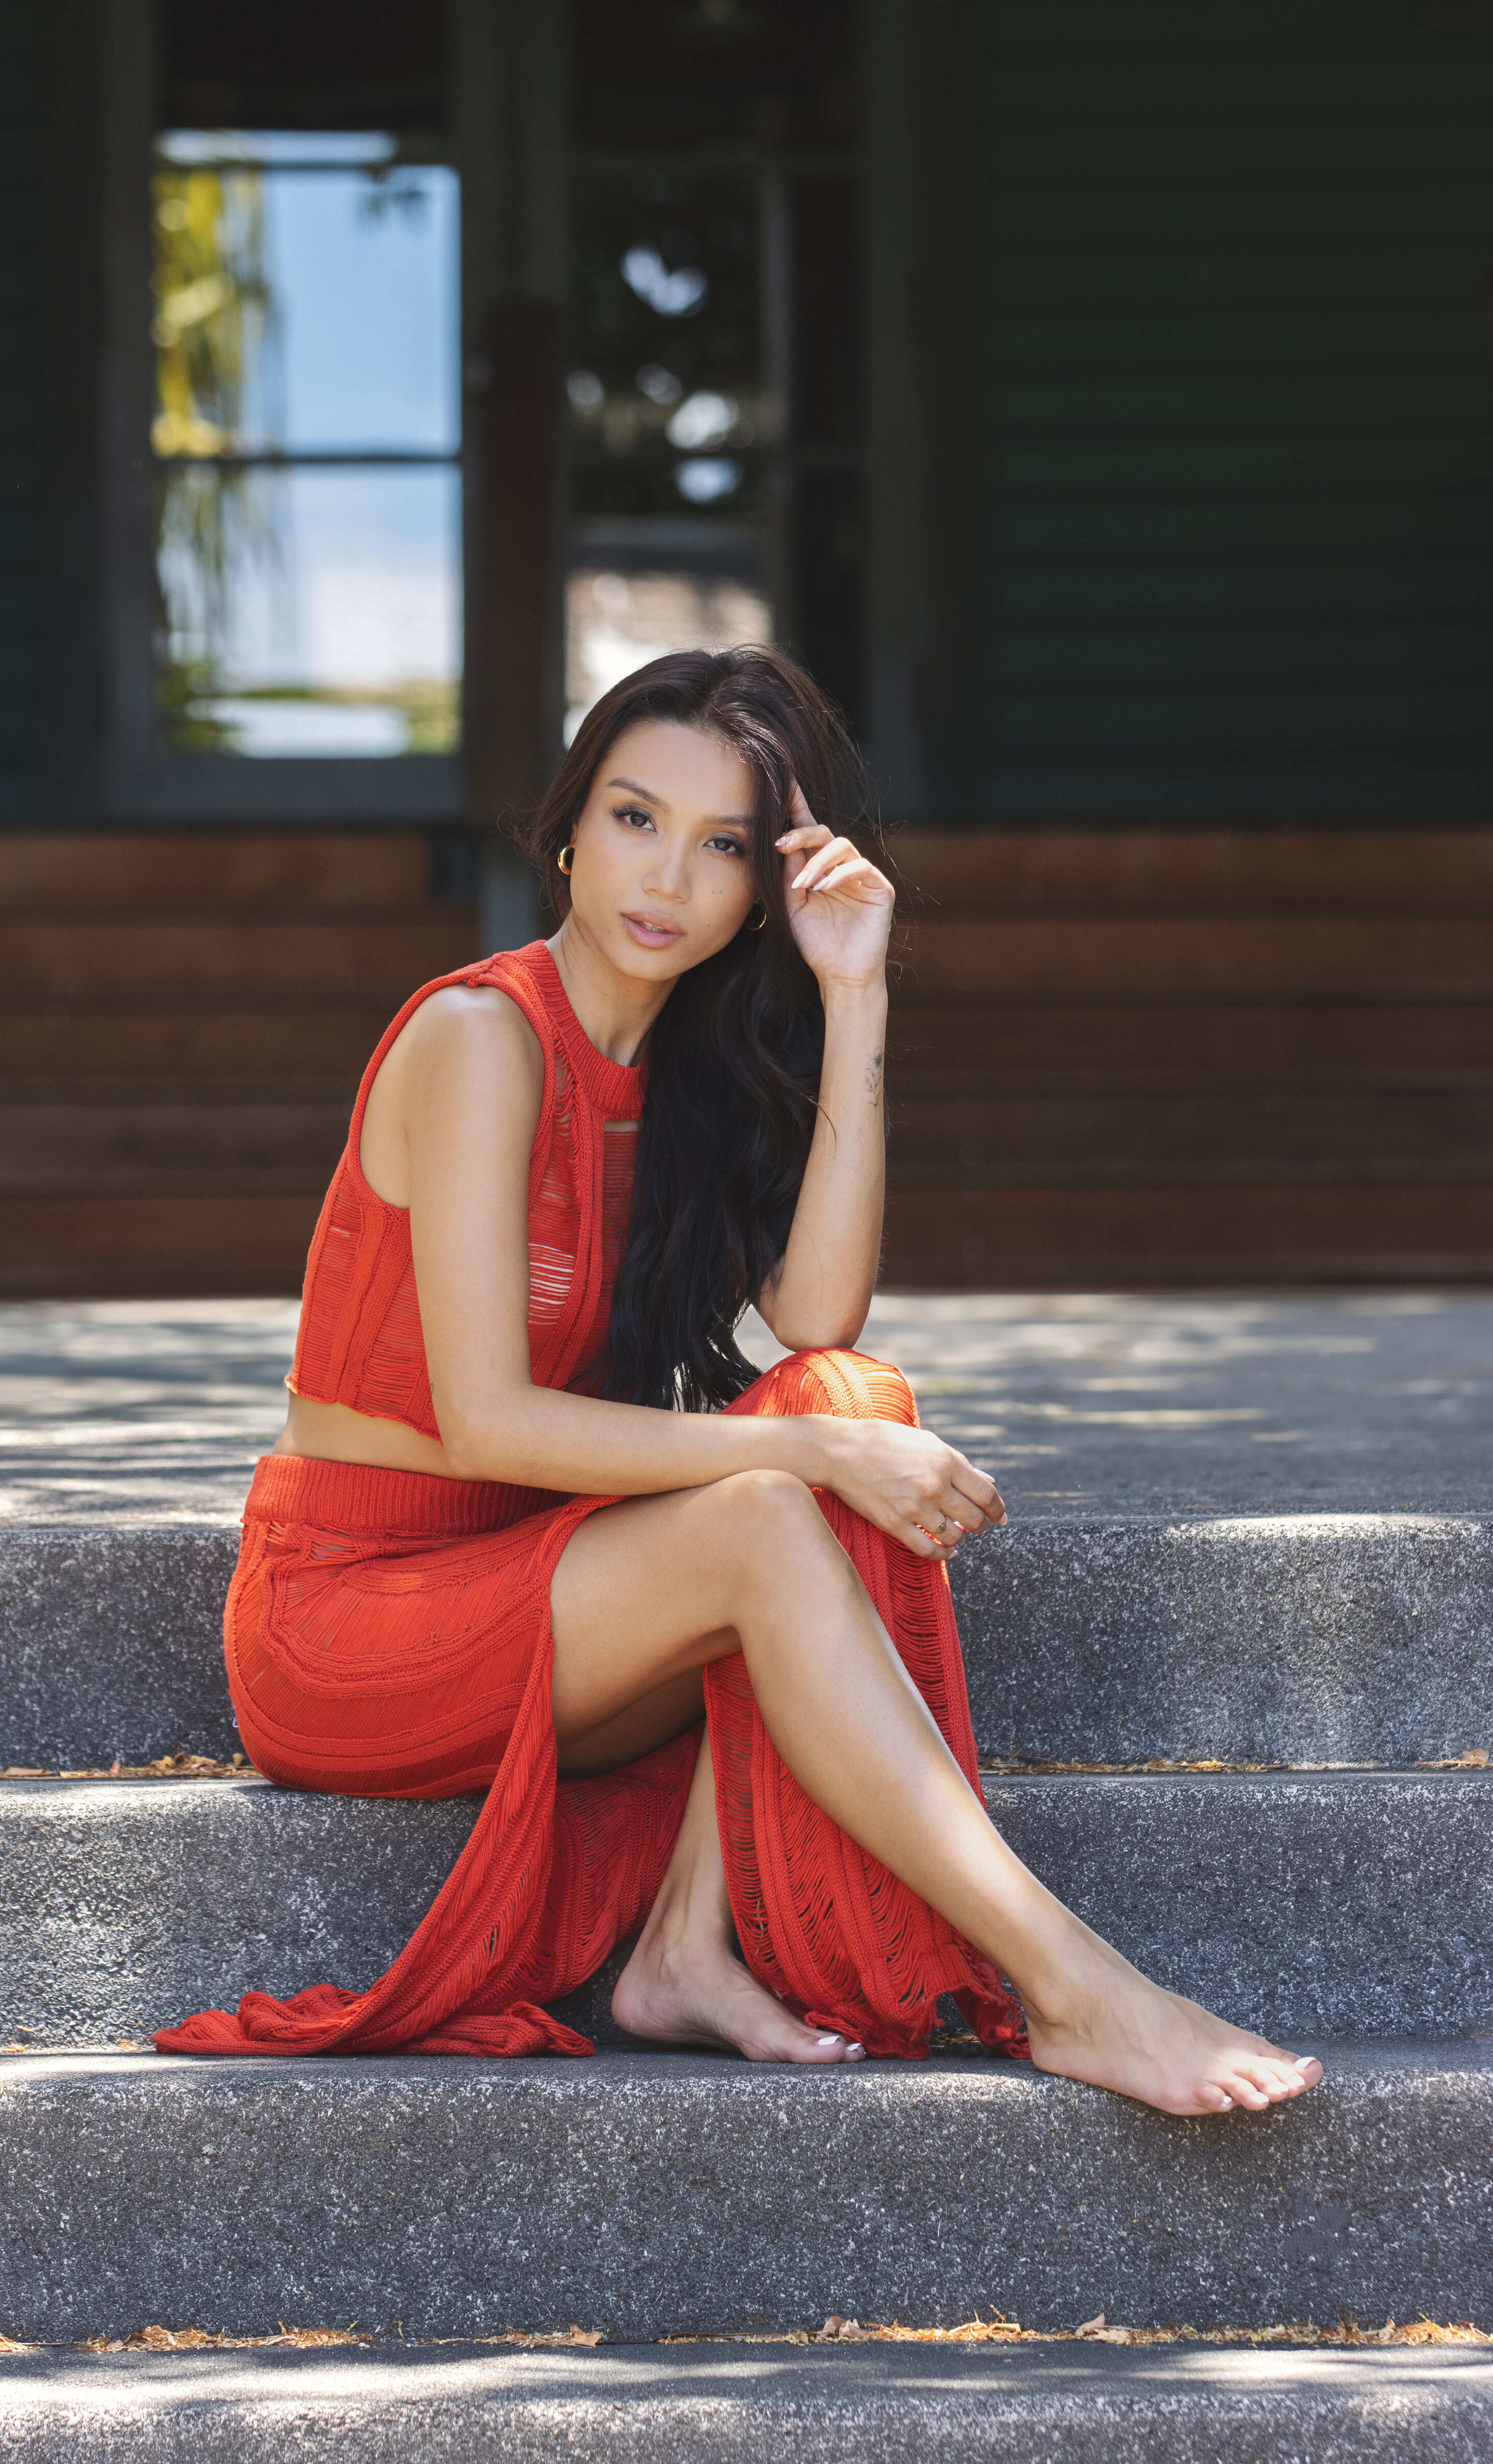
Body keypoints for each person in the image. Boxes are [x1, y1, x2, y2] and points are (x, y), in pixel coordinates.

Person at [159, 646, 1321, 2118]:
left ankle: (688, 1946)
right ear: (571, 824)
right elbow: (489, 1423)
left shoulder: (687, 1073)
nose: (668, 879)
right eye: (637, 819)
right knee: (788, 1494)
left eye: (723, 848)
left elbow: (821, 1314)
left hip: (537, 1586)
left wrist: (855, 993)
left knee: (843, 1398)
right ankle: (1076, 1986)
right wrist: (818, 1474)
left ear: (766, 886)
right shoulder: (479, 1037)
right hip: (350, 1616)